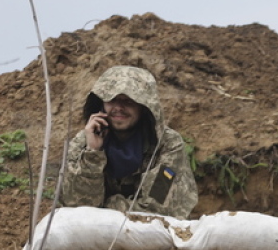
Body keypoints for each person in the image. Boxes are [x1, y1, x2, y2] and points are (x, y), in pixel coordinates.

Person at [61, 66, 198, 219]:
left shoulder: (167, 146)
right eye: (112, 100)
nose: (119, 108)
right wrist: (93, 154)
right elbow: (76, 208)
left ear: (144, 107)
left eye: (128, 101)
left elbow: (159, 211)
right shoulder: (83, 143)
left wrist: (108, 206)